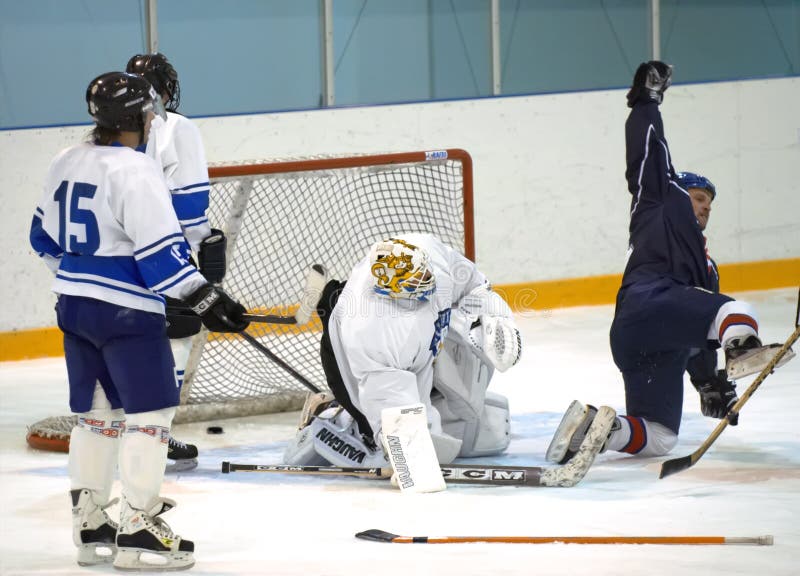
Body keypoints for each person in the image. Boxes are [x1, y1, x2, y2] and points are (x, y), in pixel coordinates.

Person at [29, 71, 249, 570]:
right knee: (149, 418)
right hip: (126, 314)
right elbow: (160, 256)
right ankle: (138, 528)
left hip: (74, 308)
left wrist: (80, 277)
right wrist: (204, 297)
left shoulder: (65, 159)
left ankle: (91, 524)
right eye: (149, 112)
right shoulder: (136, 170)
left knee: (97, 414)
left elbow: (42, 240)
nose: (153, 119)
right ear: (137, 117)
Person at [546, 61, 793, 464]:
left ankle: (594, 428)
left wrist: (707, 382)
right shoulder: (660, 199)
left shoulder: (706, 269)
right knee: (736, 310)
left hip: (645, 343)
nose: (705, 208)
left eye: (710, 205)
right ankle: (742, 351)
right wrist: (647, 101)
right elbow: (645, 151)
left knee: (660, 437)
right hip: (648, 304)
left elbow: (697, 331)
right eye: (699, 198)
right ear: (680, 191)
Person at [283, 233, 523, 474]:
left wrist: (495, 316)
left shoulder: (429, 252)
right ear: (391, 291)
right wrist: (406, 455)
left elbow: (475, 286)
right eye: (416, 282)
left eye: (424, 274)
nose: (425, 280)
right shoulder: (374, 330)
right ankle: (327, 414)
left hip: (405, 344)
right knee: (381, 448)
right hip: (349, 357)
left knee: (469, 417)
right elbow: (391, 410)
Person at [126, 53, 225, 471]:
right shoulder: (177, 127)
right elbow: (188, 203)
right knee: (176, 337)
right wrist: (205, 243)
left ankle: (122, 433)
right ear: (166, 89)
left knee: (126, 346)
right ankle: (156, 439)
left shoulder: (109, 137)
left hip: (119, 259)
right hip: (164, 253)